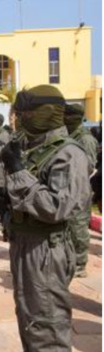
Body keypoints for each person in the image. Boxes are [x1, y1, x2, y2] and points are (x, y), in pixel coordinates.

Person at [0, 85, 89, 352]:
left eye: (26, 112)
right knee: (29, 317)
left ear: (46, 113)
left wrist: (17, 172)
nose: (20, 118)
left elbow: (57, 207)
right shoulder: (31, 147)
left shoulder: (68, 154)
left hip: (46, 250)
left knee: (47, 326)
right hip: (24, 241)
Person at [64, 103, 99, 278]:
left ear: (76, 118)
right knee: (68, 226)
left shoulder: (85, 139)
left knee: (78, 227)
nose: (64, 119)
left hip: (80, 190)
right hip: (67, 189)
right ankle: (70, 259)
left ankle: (80, 263)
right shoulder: (67, 136)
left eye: (68, 116)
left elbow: (89, 165)